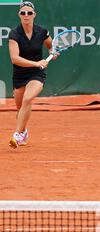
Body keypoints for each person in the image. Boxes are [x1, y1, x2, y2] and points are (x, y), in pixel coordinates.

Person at [8, 2, 57, 148]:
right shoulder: (14, 34)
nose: (26, 15)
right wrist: (36, 63)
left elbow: (51, 45)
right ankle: (23, 132)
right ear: (19, 15)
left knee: (28, 99)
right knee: (20, 108)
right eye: (23, 13)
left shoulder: (42, 32)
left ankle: (17, 135)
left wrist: (52, 52)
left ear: (34, 14)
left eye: (29, 13)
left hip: (37, 73)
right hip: (20, 74)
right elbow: (14, 59)